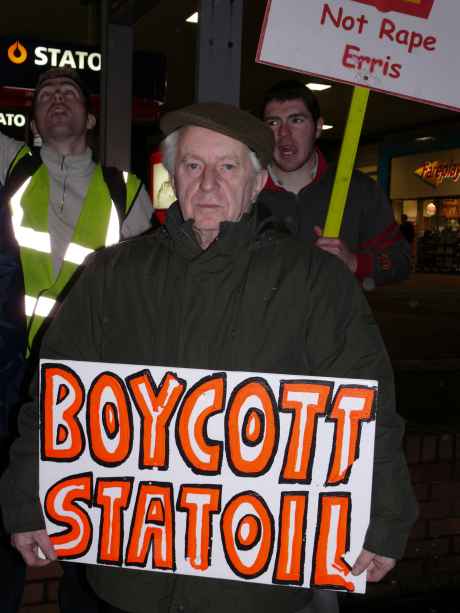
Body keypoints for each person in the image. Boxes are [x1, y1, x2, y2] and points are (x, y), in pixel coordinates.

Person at [0, 102, 416, 613]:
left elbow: (368, 406)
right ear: (173, 177)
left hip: (256, 585)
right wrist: (27, 497)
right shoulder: (111, 274)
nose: (209, 183)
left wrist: (385, 516)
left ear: (257, 181)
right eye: (193, 166)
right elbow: (53, 397)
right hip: (132, 576)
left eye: (228, 167)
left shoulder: (315, 281)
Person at [0, 67, 152, 613]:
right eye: (45, 96)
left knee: (90, 505)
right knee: (10, 504)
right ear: (34, 122)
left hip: (91, 374)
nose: (57, 99)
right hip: (14, 373)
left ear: (90, 118)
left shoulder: (127, 191)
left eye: (69, 93)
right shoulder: (12, 166)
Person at [261, 79, 410, 288]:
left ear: (318, 128)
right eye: (273, 123)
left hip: (336, 320)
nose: (284, 133)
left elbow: (400, 260)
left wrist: (355, 263)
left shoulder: (358, 189)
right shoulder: (244, 190)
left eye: (296, 120)